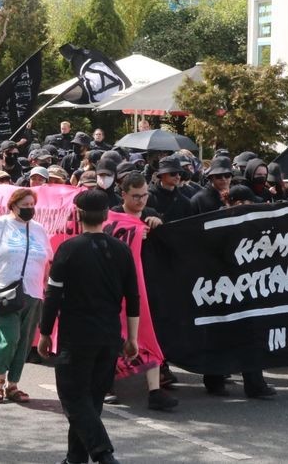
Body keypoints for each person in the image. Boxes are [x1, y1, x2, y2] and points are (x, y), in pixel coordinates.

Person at [37, 190, 138, 464]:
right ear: (106, 216)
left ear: (78, 215)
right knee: (91, 401)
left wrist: (45, 332)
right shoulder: (122, 250)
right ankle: (74, 458)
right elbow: (134, 297)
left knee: (73, 396)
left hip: (76, 337)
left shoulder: (68, 249)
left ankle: (103, 453)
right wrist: (133, 338)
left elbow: (53, 295)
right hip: (109, 336)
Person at [110, 173, 179, 411]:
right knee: (115, 334)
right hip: (117, 285)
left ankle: (155, 391)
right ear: (124, 195)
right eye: (136, 196)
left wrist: (159, 227)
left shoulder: (151, 215)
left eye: (145, 195)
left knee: (150, 334)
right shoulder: (113, 216)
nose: (141, 200)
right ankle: (108, 383)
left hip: (147, 284)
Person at [0, 188, 49, 404]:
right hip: (4, 292)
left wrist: (45, 285)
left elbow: (48, 260)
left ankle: (13, 384)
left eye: (31, 205)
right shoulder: (0, 224)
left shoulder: (39, 230)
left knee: (25, 342)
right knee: (11, 338)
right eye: (24, 205)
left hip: (33, 293)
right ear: (13, 206)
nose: (29, 209)